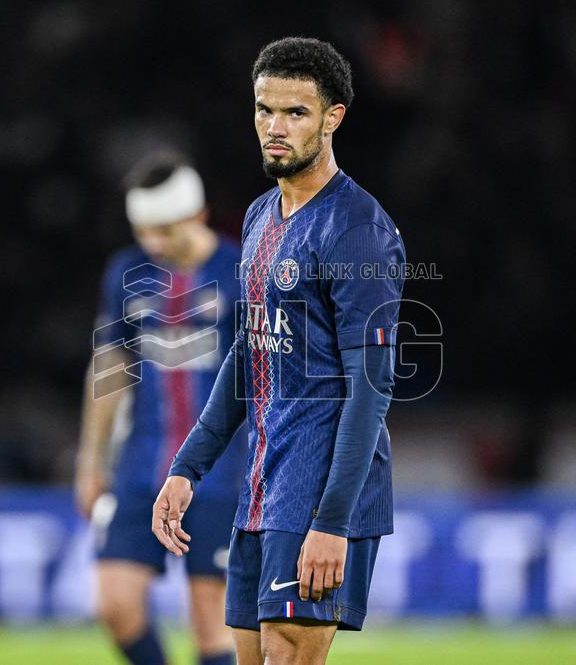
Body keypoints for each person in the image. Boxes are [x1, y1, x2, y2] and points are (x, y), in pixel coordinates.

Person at [152, 37, 406, 665]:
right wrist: (188, 466)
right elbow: (248, 354)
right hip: (261, 491)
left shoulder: (357, 231)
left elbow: (370, 390)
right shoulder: (264, 216)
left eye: (295, 113)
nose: (274, 127)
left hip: (319, 498)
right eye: (265, 109)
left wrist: (333, 522)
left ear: (332, 118)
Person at [77, 152, 246, 665]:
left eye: (164, 230)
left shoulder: (242, 272)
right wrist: (91, 460)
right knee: (116, 604)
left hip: (223, 471)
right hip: (142, 465)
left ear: (197, 216)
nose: (152, 243)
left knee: (211, 620)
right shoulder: (126, 273)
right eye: (143, 230)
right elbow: (109, 369)